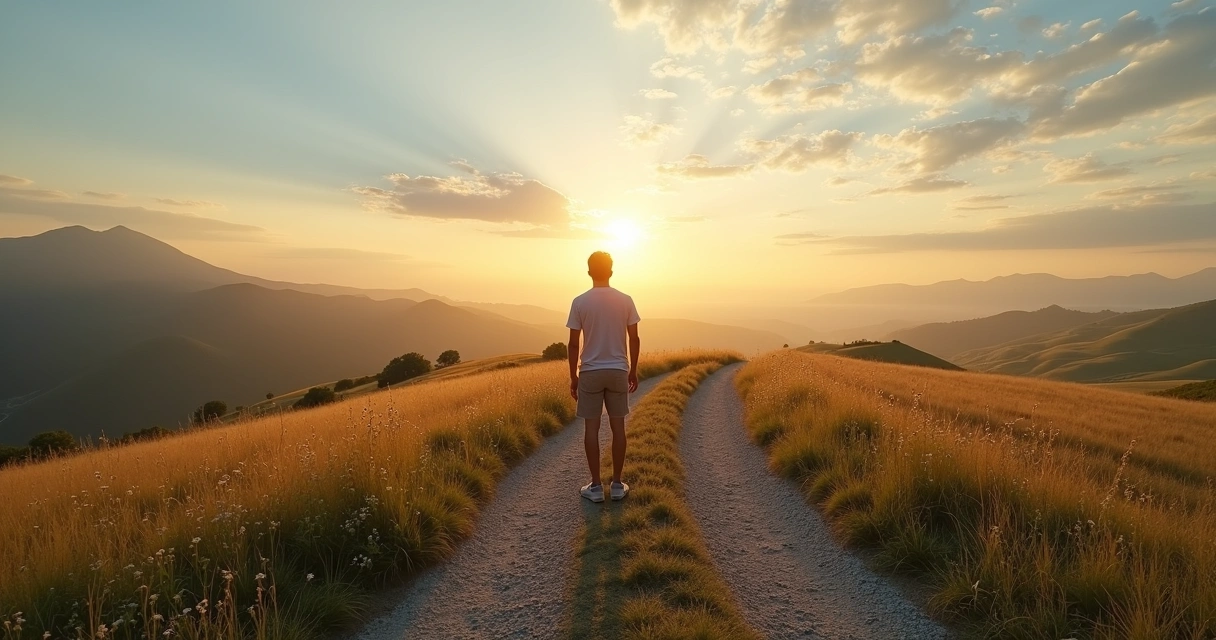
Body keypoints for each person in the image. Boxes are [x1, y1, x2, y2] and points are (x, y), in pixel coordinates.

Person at [566, 251, 641, 503]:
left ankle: (596, 486)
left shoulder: (580, 302)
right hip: (618, 369)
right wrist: (633, 369)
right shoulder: (626, 300)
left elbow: (573, 344)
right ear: (611, 270)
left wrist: (573, 376)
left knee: (592, 428)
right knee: (618, 428)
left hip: (589, 371)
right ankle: (618, 484)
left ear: (589, 272)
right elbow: (634, 338)